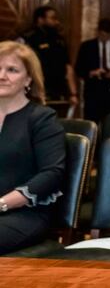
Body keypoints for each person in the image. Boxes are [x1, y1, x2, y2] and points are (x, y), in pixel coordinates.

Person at [0, 41, 66, 255]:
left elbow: (52, 174)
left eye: (12, 70)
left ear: (28, 79)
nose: (2, 75)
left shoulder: (42, 119)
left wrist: (3, 203)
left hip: (27, 214)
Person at [74, 18, 110, 123]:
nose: (104, 38)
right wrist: (91, 72)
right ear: (98, 32)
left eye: (107, 35)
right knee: (92, 117)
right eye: (102, 34)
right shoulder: (87, 46)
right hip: (94, 86)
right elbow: (78, 68)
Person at [20, 5, 77, 108]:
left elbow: (68, 67)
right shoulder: (28, 38)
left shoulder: (59, 40)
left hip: (58, 93)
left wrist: (73, 93)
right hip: (35, 93)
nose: (57, 22)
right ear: (41, 20)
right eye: (53, 18)